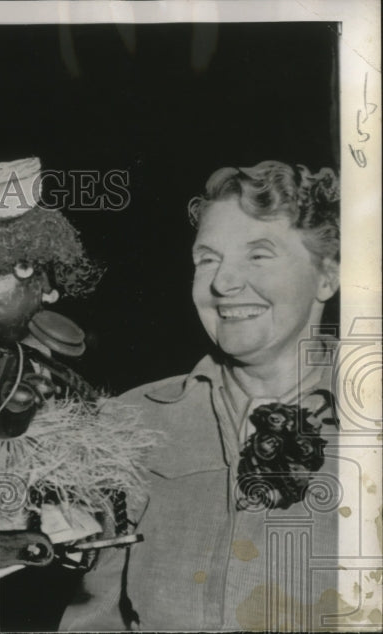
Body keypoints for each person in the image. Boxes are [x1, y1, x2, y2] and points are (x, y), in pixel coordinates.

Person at [60, 160, 343, 631]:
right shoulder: (127, 425)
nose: (223, 283)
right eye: (207, 259)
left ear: (327, 276)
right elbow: (93, 617)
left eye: (258, 255)